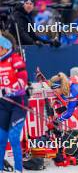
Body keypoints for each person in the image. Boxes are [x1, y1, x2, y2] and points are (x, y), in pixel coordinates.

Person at [0, 33, 28, 173]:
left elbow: (23, 83)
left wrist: (9, 90)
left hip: (18, 103)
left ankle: (18, 170)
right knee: (1, 138)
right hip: (3, 105)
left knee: (14, 138)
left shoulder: (15, 59)